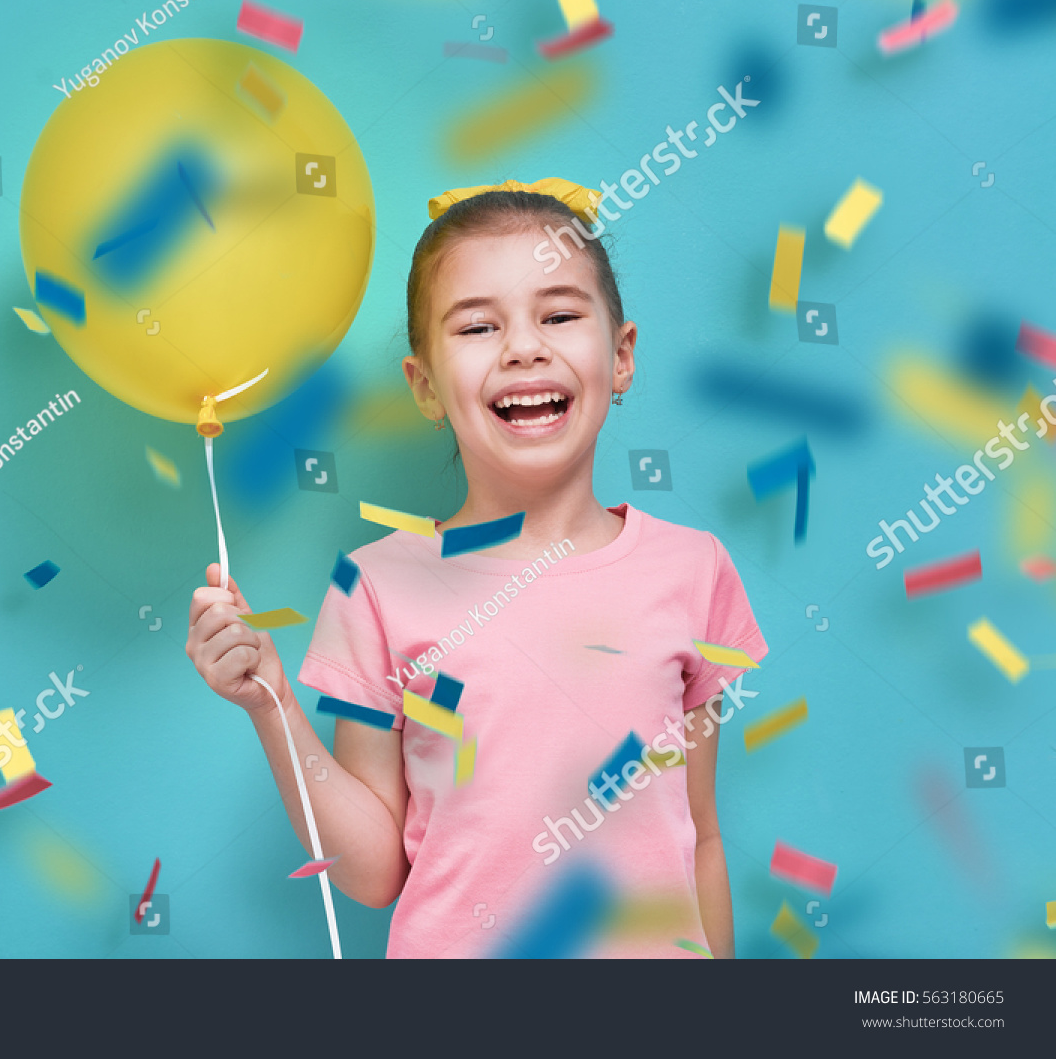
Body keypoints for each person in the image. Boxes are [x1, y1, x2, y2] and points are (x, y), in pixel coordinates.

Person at [186, 179, 768, 958]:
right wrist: (273, 704)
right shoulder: (375, 587)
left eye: (559, 316)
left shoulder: (693, 570)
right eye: (477, 327)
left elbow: (700, 838)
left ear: (622, 356)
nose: (523, 347)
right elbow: (372, 873)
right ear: (425, 386)